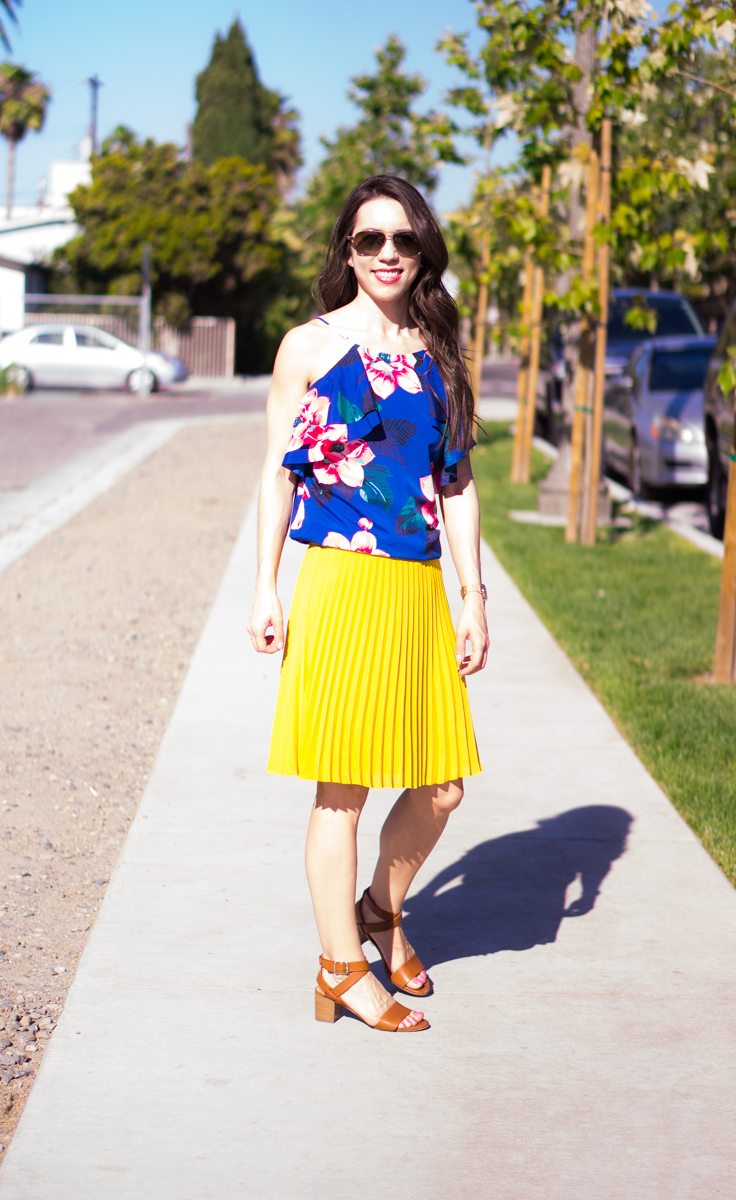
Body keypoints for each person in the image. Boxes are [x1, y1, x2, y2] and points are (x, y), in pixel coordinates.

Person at [247, 175, 489, 1034]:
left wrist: (473, 594)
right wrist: (266, 584)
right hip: (343, 584)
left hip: (420, 589)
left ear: (423, 249)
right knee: (341, 792)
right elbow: (281, 473)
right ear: (345, 251)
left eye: (403, 240)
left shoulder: (438, 346)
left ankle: (382, 914)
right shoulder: (307, 348)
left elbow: (454, 481)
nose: (387, 254)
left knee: (444, 787)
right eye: (369, 240)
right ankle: (341, 964)